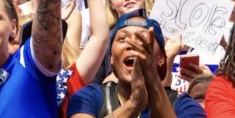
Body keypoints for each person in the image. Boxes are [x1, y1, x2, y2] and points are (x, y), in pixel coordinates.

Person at [67, 13, 205, 117]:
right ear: (111, 59)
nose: (131, 45)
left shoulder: (184, 105)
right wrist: (133, 104)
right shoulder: (88, 96)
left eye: (142, 39)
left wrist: (153, 84)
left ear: (161, 58)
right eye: (122, 39)